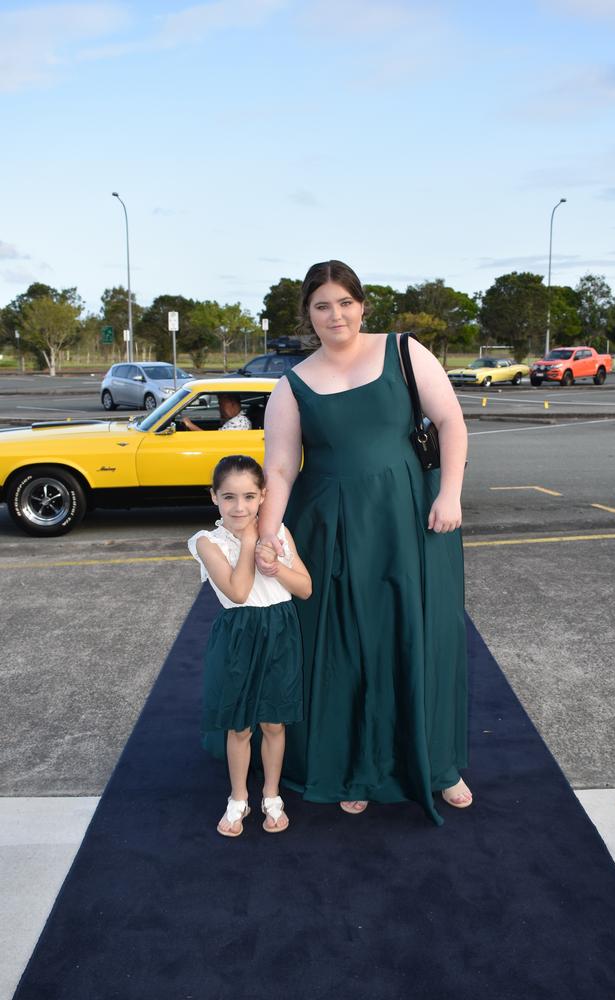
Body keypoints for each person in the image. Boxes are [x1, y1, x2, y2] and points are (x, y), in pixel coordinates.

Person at [256, 260, 471, 825]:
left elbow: (450, 421)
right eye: (322, 305)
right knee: (345, 645)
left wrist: (449, 494)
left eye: (345, 302)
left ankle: (440, 765)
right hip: (330, 528)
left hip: (410, 519)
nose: (336, 315)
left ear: (362, 305)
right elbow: (278, 471)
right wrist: (267, 537)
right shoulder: (291, 384)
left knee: (422, 634)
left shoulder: (403, 351)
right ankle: (354, 766)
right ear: (308, 313)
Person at [188, 455, 311, 837]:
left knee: (273, 722)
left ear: (262, 497)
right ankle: (238, 798)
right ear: (214, 498)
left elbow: (305, 588)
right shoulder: (207, 542)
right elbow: (239, 592)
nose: (238, 507)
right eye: (228, 497)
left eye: (248, 497)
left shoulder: (280, 533)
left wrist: (276, 567)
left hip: (280, 632)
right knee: (239, 726)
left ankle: (271, 795)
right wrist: (248, 544)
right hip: (239, 635)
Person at [181, 392, 252, 431]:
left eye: (221, 405)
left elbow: (212, 441)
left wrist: (189, 425)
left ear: (233, 404)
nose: (219, 408)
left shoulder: (238, 423)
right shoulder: (235, 420)